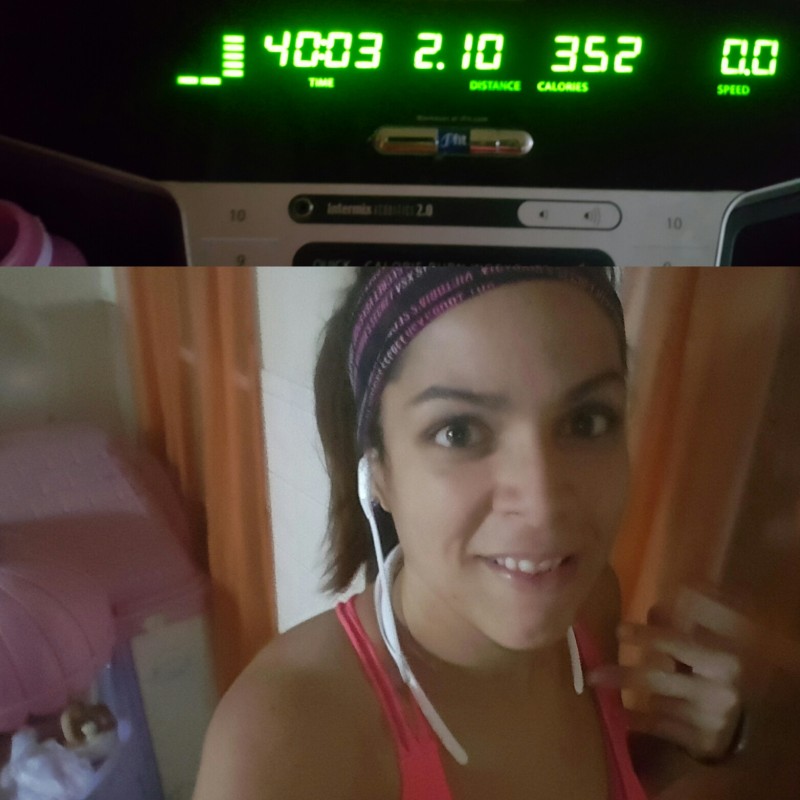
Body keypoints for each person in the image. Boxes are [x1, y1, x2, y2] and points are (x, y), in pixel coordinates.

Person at [192, 266, 744, 800]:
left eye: (586, 422)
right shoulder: (287, 742)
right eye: (458, 432)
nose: (543, 509)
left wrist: (693, 747)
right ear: (378, 472)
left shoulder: (588, 606)